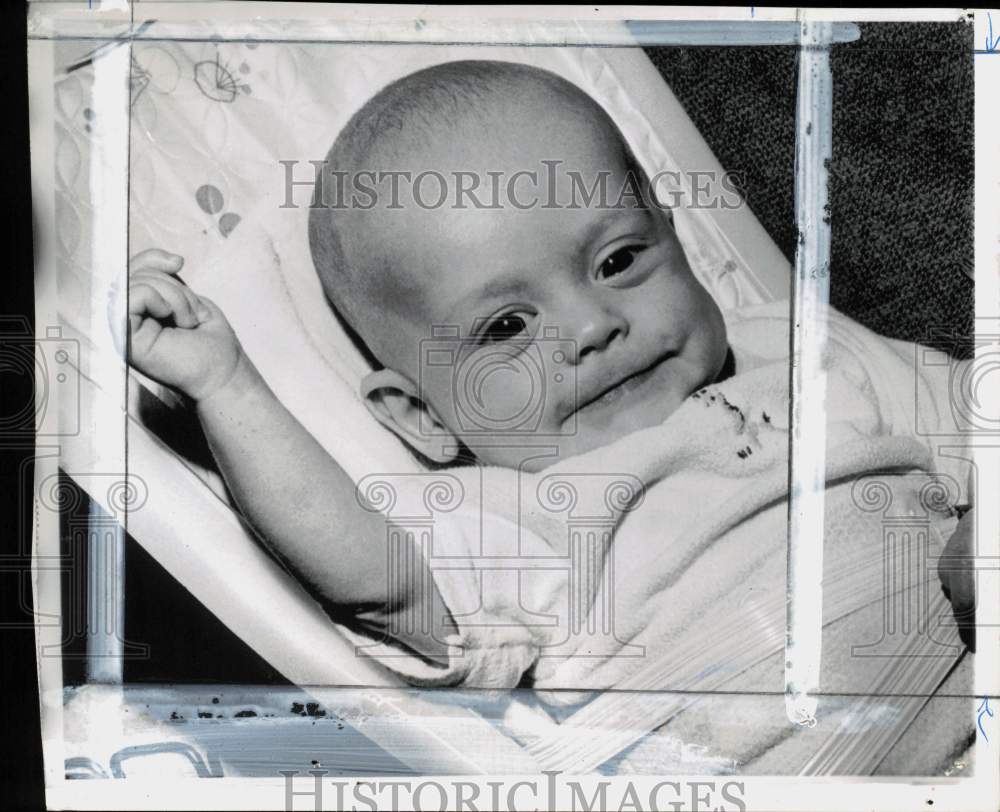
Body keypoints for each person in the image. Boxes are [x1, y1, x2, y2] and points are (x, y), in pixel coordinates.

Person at [123, 60, 976, 680]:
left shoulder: (803, 349)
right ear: (421, 416)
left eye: (616, 261)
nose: (593, 326)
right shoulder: (504, 516)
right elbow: (369, 577)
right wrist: (227, 386)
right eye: (506, 326)